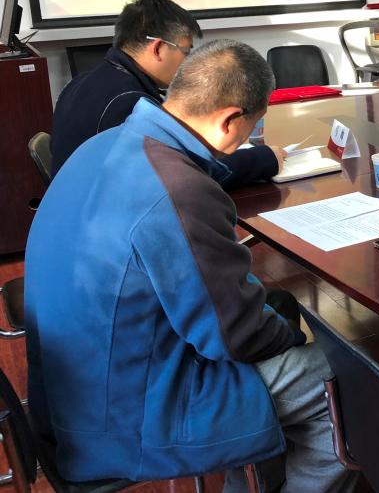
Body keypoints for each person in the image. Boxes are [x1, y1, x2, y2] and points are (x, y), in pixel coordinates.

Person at [25, 40, 354, 492]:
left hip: (72, 390)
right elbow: (235, 335)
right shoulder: (178, 190)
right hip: (124, 418)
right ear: (231, 119)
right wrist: (290, 341)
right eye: (252, 126)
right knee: (340, 384)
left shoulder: (103, 144)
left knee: (274, 311)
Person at [50, 0, 283, 185]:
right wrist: (262, 159)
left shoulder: (83, 81)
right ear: (159, 48)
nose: (189, 62)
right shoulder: (131, 103)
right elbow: (181, 173)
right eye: (186, 51)